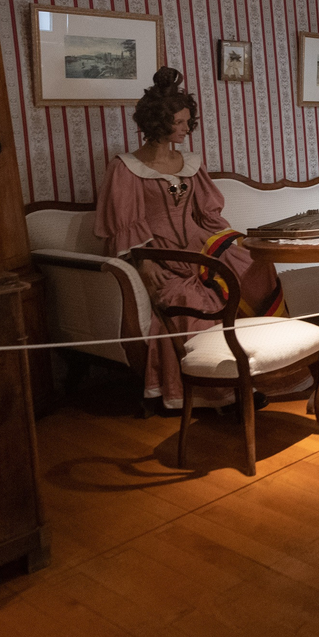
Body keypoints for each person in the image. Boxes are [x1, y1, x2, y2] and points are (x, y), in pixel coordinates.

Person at [95, 67, 285, 412]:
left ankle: (265, 368)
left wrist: (233, 244)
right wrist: (144, 261)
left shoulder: (190, 162)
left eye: (187, 121)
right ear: (158, 123)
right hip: (161, 253)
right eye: (179, 122)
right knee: (196, 301)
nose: (187, 128)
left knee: (257, 268)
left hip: (201, 245)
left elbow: (208, 215)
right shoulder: (126, 167)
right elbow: (124, 224)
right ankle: (223, 390)